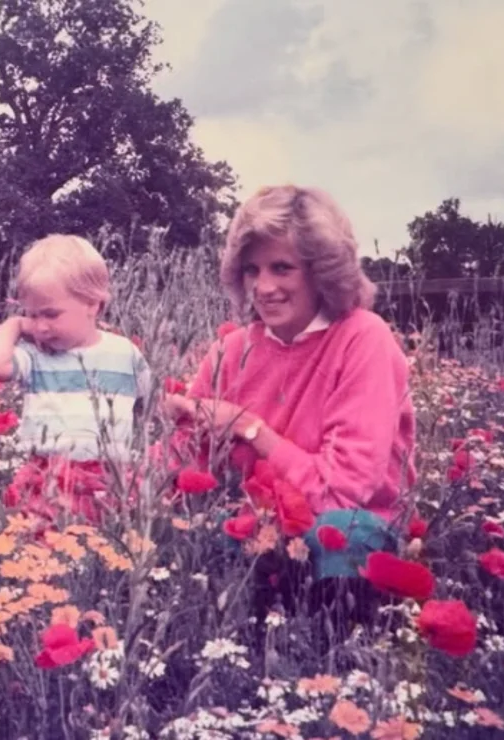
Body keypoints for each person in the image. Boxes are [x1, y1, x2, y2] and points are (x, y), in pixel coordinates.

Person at [164, 184, 417, 634]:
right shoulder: (231, 349)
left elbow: (344, 492)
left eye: (282, 268)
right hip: (257, 527)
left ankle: (341, 661)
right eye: (251, 270)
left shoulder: (363, 339)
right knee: (180, 541)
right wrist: (105, 484)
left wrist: (248, 428)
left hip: (344, 531)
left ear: (322, 271)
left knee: (337, 533)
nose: (264, 287)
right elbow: (186, 464)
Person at [0, 234, 152, 522]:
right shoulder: (35, 357)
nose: (41, 327)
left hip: (107, 480)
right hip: (46, 478)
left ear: (92, 304)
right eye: (32, 315)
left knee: (101, 552)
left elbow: (149, 407)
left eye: (51, 314)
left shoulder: (125, 354)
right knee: (44, 554)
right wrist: (15, 324)